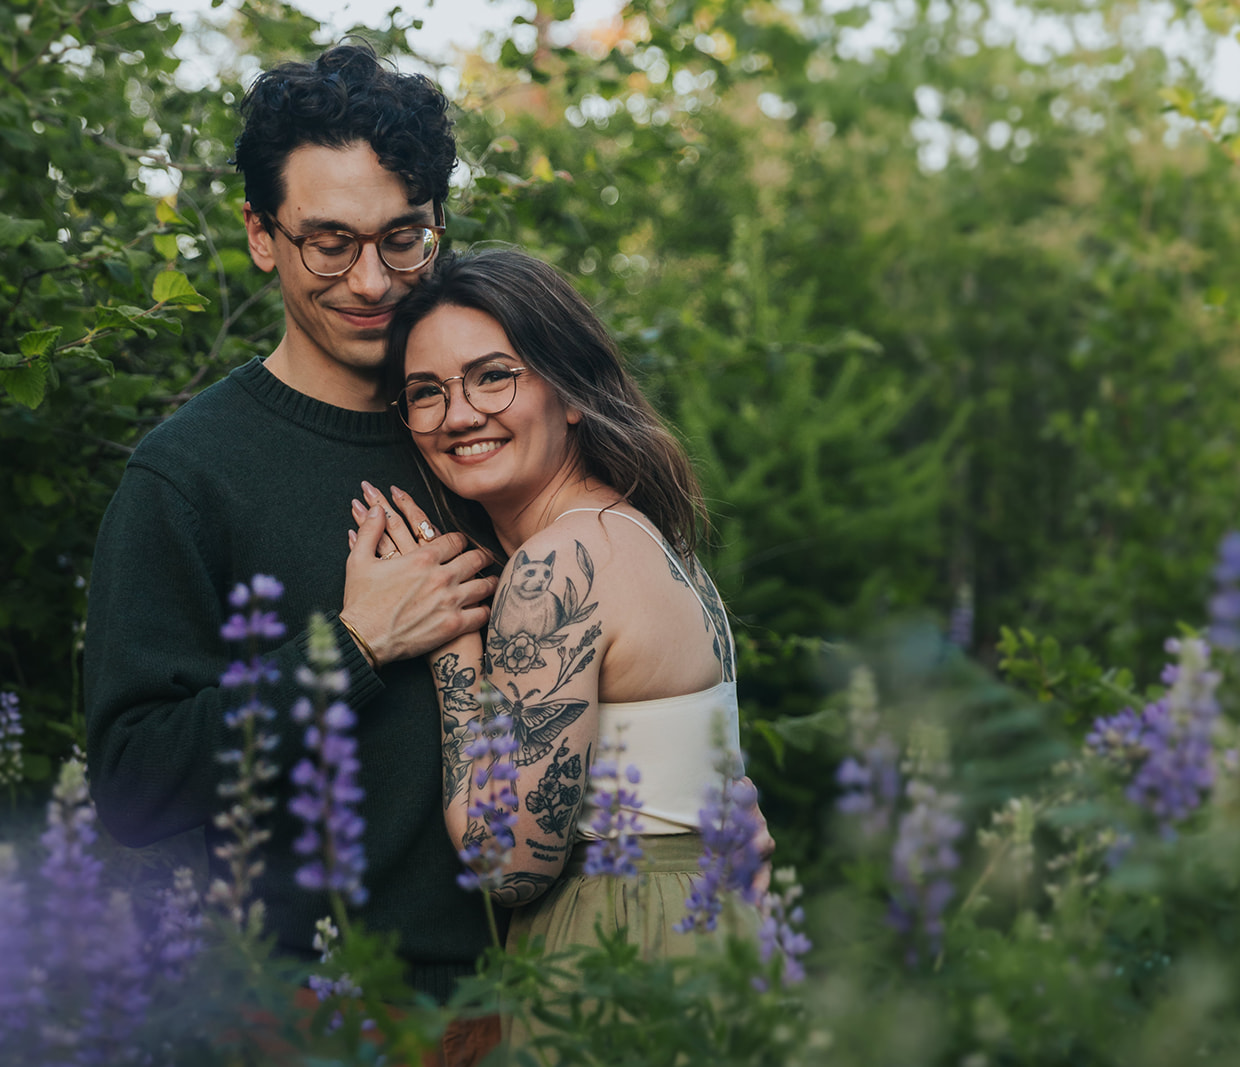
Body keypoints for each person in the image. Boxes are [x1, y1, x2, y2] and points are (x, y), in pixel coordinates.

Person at [83, 44, 504, 1017]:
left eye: (403, 238)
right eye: (329, 241)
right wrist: (354, 646)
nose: (371, 280)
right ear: (261, 235)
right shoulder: (187, 476)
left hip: (539, 993)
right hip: (314, 1013)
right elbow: (134, 785)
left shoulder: (490, 431)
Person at [359, 249, 766, 1039]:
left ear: (569, 391)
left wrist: (452, 650)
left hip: (620, 950)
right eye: (426, 392)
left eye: (492, 375)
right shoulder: (649, 538)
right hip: (708, 935)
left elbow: (506, 862)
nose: (458, 413)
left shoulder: (560, 562)